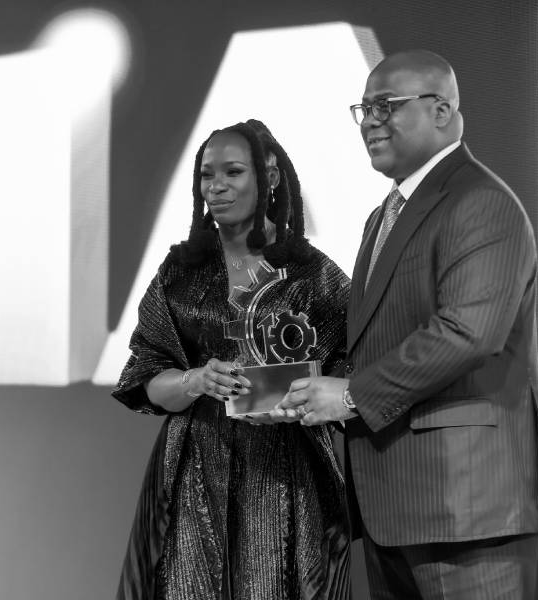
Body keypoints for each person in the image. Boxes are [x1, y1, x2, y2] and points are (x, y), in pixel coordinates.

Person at [277, 51, 538, 599]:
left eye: (386, 106)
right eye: (363, 108)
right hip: (397, 508)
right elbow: (376, 341)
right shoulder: (386, 213)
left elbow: (466, 332)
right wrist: (297, 392)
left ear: (441, 111)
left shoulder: (480, 201)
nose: (369, 121)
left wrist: (352, 395)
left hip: (465, 510)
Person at [111, 119, 351, 600]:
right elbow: (147, 381)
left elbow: (352, 379)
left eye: (233, 172)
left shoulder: (313, 274)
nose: (215, 188)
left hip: (289, 478)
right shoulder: (179, 273)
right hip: (196, 467)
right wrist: (195, 380)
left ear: (271, 177)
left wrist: (303, 399)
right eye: (206, 175)